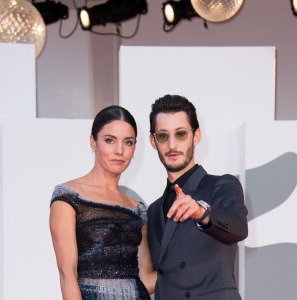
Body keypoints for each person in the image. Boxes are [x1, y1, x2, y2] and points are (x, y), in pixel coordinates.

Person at [147, 95, 248, 300]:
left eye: (181, 134)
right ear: (153, 141)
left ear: (196, 136)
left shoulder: (221, 185)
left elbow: (238, 227)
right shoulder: (154, 210)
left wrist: (203, 214)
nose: (172, 145)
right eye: (163, 136)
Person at [50, 105, 156, 300]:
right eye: (110, 140)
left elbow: (145, 280)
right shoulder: (69, 197)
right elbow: (67, 275)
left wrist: (191, 264)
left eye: (128, 142)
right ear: (93, 142)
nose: (119, 151)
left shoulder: (138, 209)